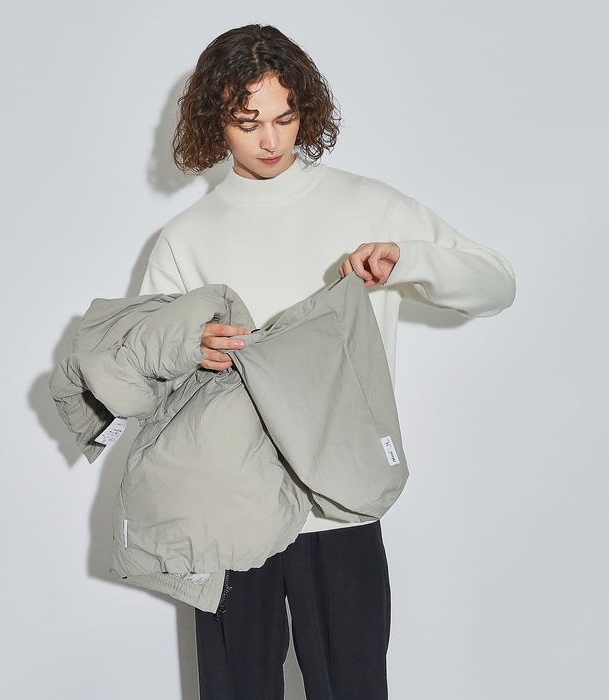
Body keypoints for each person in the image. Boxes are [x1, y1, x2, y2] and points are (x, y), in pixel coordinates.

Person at [140, 24, 515, 700]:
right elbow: (144, 378)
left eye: (285, 118)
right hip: (229, 511)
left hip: (340, 507)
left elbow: (496, 285)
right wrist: (188, 349)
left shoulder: (367, 204)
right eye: (248, 122)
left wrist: (410, 261)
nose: (270, 140)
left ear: (305, 110)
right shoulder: (184, 240)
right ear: (213, 121)